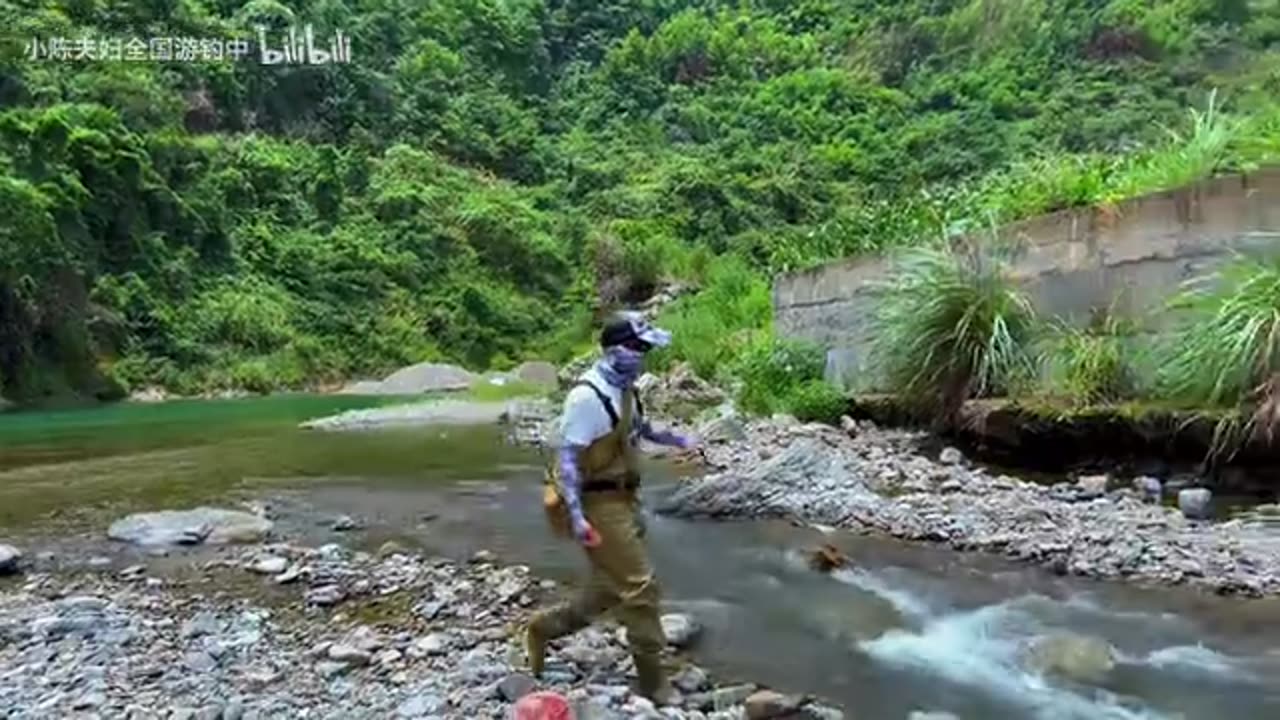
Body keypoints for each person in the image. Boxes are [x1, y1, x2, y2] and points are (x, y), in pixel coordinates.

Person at [526, 311, 698, 705]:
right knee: (640, 586)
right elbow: (567, 461)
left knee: (609, 589)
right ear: (616, 350)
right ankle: (654, 683)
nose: (645, 357)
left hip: (625, 498)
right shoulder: (587, 398)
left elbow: (638, 428)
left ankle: (543, 628)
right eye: (640, 348)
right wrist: (577, 518)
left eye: (646, 349)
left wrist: (677, 439)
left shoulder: (625, 389)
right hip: (597, 504)